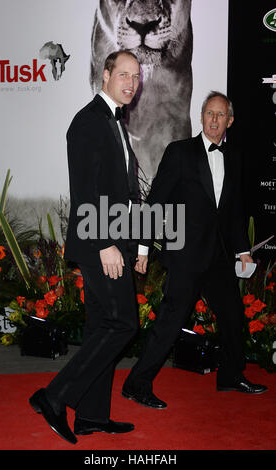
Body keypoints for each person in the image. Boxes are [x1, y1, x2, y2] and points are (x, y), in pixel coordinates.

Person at [122, 91, 267, 410]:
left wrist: (242, 250)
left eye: (221, 115)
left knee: (231, 314)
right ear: (201, 118)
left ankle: (231, 375)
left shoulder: (234, 156)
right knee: (170, 323)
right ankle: (136, 384)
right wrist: (144, 248)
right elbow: (155, 202)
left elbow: (233, 211)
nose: (214, 119)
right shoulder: (180, 152)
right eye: (209, 113)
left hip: (218, 256)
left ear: (230, 120)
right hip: (186, 255)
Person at [29, 50, 141, 444]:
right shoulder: (89, 121)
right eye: (123, 74)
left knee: (101, 326)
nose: (130, 82)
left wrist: (138, 245)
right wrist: (107, 242)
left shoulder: (115, 123)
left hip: (118, 241)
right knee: (123, 323)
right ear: (105, 74)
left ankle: (91, 416)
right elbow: (86, 190)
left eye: (136, 76)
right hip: (100, 242)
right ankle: (55, 397)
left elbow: (126, 192)